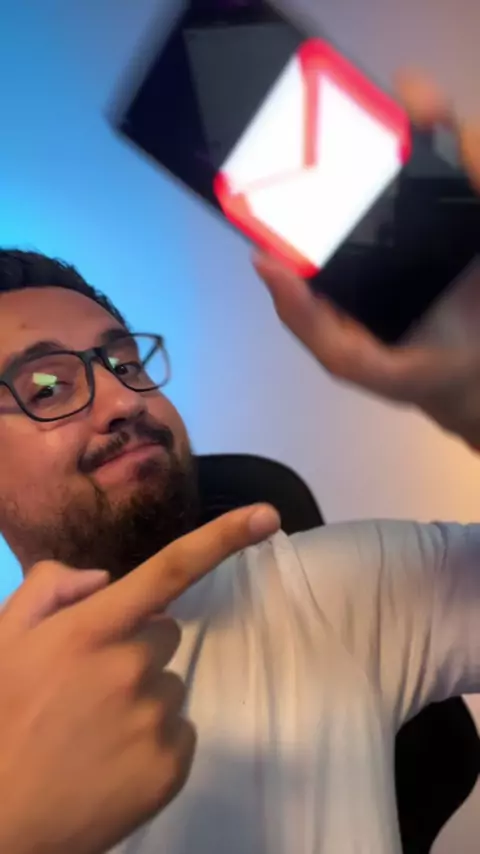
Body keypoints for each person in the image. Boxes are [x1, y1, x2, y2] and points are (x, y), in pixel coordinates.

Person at [0, 72, 478, 854]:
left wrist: (474, 397)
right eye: (46, 386)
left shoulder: (321, 596)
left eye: (125, 362)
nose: (121, 399)